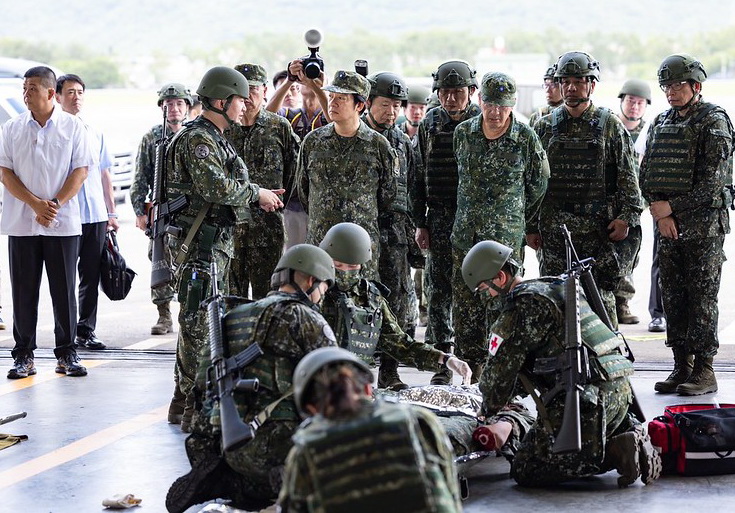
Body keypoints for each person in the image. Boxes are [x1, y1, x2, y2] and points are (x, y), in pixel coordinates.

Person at [462, 240, 661, 487]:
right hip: (620, 395)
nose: (488, 297)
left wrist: (486, 410)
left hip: (587, 402)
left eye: (485, 288)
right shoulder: (556, 286)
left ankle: (614, 451)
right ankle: (624, 435)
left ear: (500, 278)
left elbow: (497, 378)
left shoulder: (521, 307)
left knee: (525, 468)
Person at [165, 244, 337, 513]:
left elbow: (200, 386)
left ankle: (235, 483)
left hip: (222, 447)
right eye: (323, 290)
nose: (320, 298)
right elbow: (339, 384)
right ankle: (287, 482)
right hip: (276, 450)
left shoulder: (232, 316)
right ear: (311, 281)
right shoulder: (304, 318)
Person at [164, 66, 284, 431]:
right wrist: (256, 194)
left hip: (213, 243)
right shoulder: (199, 140)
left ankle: (186, 399)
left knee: (207, 322)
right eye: (239, 100)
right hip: (200, 246)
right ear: (221, 101)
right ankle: (190, 404)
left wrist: (259, 192)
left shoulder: (216, 137)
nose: (244, 106)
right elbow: (216, 187)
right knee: (198, 325)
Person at [640, 54, 733, 396]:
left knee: (702, 299)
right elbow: (645, 173)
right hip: (669, 230)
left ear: (696, 86)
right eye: (666, 86)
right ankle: (681, 366)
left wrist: (672, 208)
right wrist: (662, 215)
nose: (671, 92)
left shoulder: (713, 121)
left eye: (678, 85)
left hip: (703, 230)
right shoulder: (660, 122)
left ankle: (705, 371)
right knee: (673, 298)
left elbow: (713, 183)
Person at [277, 346, 463, 513]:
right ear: (367, 389)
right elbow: (450, 490)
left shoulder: (306, 450)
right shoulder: (418, 421)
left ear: (311, 409)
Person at [530, 51, 642, 325]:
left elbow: (629, 177)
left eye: (578, 81)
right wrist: (530, 226)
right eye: (565, 81)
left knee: (600, 305)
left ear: (591, 85)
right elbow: (532, 182)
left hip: (598, 232)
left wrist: (626, 218)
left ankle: (606, 354)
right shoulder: (544, 127)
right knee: (556, 305)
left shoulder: (610, 126)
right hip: (555, 233)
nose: (570, 87)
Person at [451, 72, 549, 378]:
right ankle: (470, 372)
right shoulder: (464, 133)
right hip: (466, 236)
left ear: (512, 104)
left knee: (504, 308)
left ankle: (502, 375)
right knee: (465, 308)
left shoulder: (525, 137)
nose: (495, 112)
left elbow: (538, 183)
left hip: (504, 241)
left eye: (503, 106)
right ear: (480, 100)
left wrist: (516, 216)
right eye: (490, 104)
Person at [0, 66, 93, 379]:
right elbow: (4, 172)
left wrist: (53, 205)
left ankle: (67, 354)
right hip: (22, 223)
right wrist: (35, 204)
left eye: (33, 88)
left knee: (63, 292)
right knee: (23, 292)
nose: (26, 94)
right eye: (24, 88)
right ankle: (23, 356)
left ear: (51, 93)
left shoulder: (72, 127)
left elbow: (81, 170)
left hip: (62, 223)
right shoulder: (12, 128)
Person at [319, 223, 472, 386]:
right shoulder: (314, 292)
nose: (345, 272)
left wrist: (446, 359)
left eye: (352, 266)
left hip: (351, 386)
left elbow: (400, 344)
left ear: (362, 265)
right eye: (338, 265)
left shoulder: (371, 298)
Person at [411, 59, 481, 384]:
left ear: (471, 91)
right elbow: (418, 174)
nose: (451, 98)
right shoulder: (430, 123)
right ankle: (442, 363)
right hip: (438, 218)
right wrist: (420, 221)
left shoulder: (483, 121)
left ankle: (473, 363)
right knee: (438, 291)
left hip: (473, 221)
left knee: (473, 292)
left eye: (458, 92)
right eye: (445, 92)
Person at [297, 70, 397, 279]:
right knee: (319, 294)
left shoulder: (378, 146)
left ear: (359, 105)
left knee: (362, 296)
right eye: (331, 96)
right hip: (321, 242)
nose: (332, 103)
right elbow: (303, 190)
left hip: (360, 246)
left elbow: (387, 196)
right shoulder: (313, 142)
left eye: (341, 98)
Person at [362, 71, 418, 389]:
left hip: (395, 235)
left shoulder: (402, 142)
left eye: (396, 105)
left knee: (395, 303)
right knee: (359, 300)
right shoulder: (356, 136)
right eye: (385, 104)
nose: (391, 111)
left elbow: (413, 187)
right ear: (369, 102)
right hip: (362, 234)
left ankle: (389, 371)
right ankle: (357, 370)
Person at [55, 73, 118, 351]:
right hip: (67, 216)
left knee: (91, 276)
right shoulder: (54, 132)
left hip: (95, 216)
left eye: (80, 92)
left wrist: (111, 213)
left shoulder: (94, 131)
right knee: (64, 279)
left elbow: (104, 174)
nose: (76, 97)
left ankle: (86, 330)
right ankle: (65, 334)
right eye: (70, 92)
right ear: (57, 97)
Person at [226, 63, 299, 299]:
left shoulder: (278, 127)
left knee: (268, 298)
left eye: (253, 89)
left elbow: (293, 173)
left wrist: (278, 202)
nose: (247, 96)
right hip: (229, 229)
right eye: (241, 90)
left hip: (268, 229)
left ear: (265, 91)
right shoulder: (224, 128)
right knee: (231, 299)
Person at [130, 82, 193, 336]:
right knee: (159, 260)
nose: (174, 109)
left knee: (190, 262)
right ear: (161, 108)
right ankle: (164, 314)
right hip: (162, 210)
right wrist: (139, 211)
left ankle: (189, 314)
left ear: (187, 107)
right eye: (168, 105)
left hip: (189, 210)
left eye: (179, 104)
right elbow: (140, 177)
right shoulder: (152, 137)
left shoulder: (195, 134)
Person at [268, 61, 330, 250]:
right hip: (293, 202)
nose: (309, 80)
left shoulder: (327, 114)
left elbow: (334, 119)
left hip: (323, 200)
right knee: (293, 256)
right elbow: (268, 115)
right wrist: (289, 80)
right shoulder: (291, 115)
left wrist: (320, 88)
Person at [613, 78, 652, 325]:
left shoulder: (649, 132)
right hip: (607, 202)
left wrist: (640, 205)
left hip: (634, 205)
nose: (634, 107)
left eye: (639, 103)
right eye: (630, 101)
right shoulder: (610, 126)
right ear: (622, 101)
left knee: (629, 256)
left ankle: (622, 303)